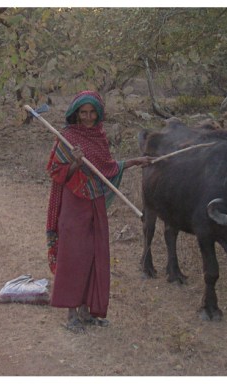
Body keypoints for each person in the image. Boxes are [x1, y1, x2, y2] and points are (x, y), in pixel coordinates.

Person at [45, 90, 152, 333]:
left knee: (95, 255)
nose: (88, 117)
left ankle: (87, 311)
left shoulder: (100, 137)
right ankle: (71, 314)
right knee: (73, 257)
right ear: (75, 113)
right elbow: (55, 172)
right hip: (73, 205)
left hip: (95, 203)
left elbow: (108, 168)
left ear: (99, 113)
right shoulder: (67, 138)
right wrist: (75, 163)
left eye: (92, 112)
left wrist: (136, 161)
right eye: (83, 112)